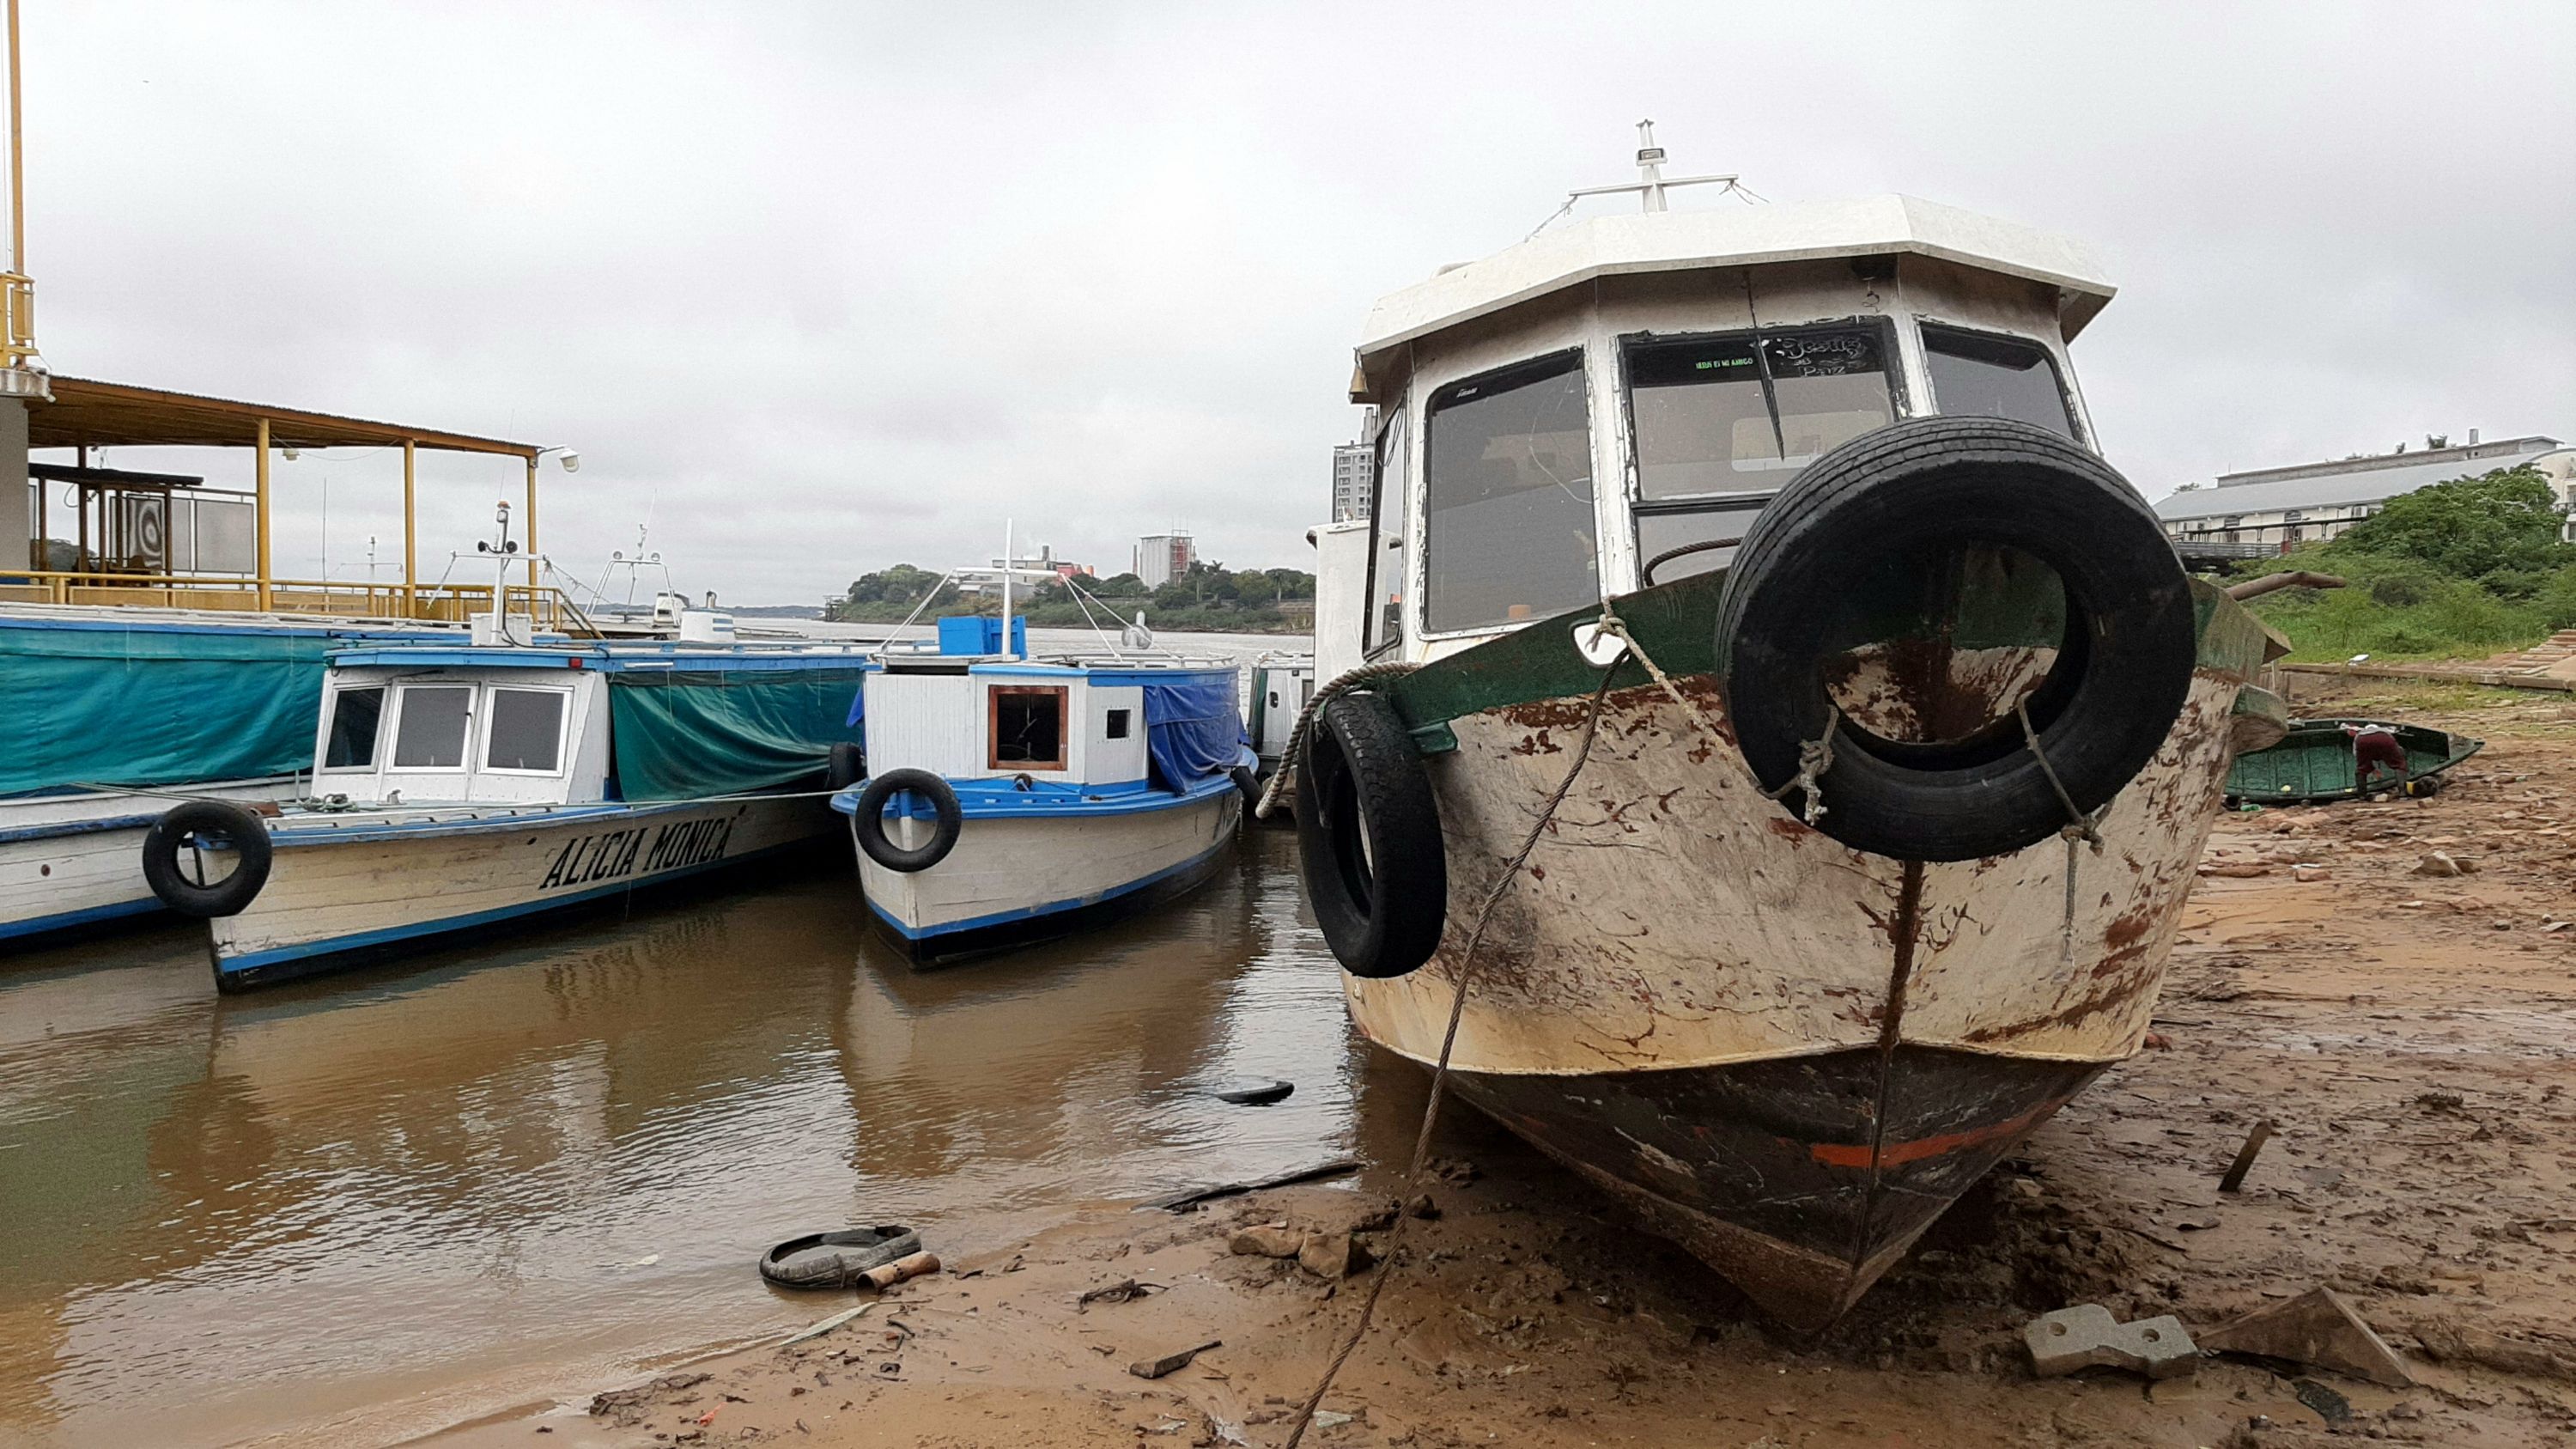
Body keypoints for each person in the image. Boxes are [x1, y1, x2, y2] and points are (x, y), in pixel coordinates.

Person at [2343, 722, 2409, 797]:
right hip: (2383, 738)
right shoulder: (2384, 731)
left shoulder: (2359, 734)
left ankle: (2362, 796)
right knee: (2399, 765)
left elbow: (2357, 755)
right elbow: (2395, 746)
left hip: (2362, 740)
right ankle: (2403, 794)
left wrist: (2371, 769)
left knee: (2361, 770)